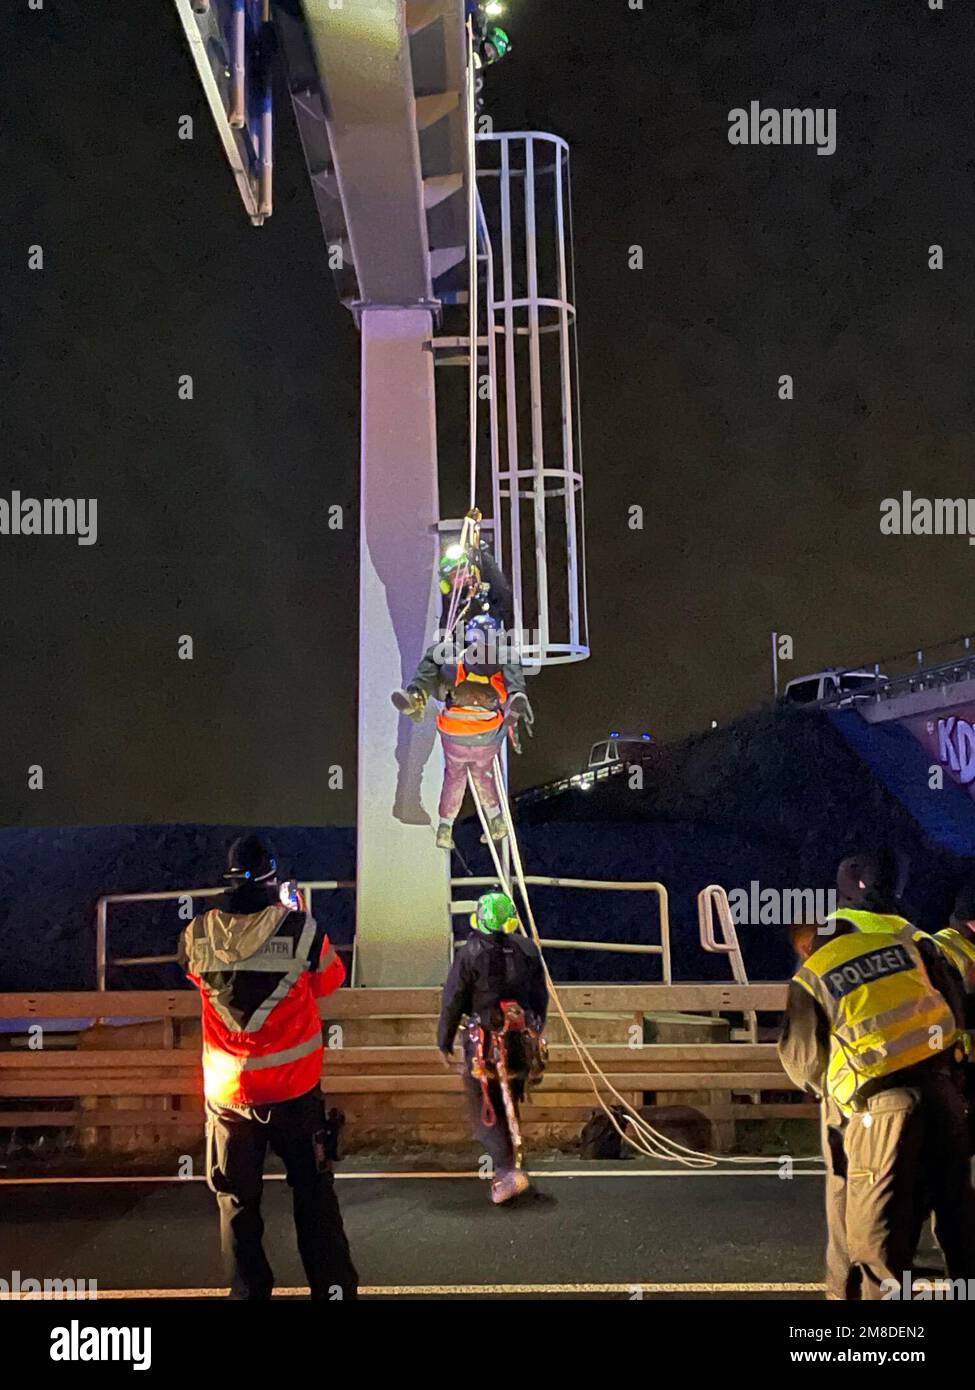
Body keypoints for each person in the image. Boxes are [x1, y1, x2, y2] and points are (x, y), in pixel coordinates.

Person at [778, 850, 975, 1300]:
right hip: (942, 1089)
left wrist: (837, 1092)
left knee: (871, 1236)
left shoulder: (819, 961)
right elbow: (951, 1006)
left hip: (875, 1105)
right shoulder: (912, 939)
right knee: (956, 1209)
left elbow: (802, 1060)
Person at [179, 834, 358, 1301]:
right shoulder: (300, 930)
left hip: (228, 1097)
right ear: (272, 880)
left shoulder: (196, 934)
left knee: (237, 1202)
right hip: (294, 1094)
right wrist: (293, 912)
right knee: (313, 1196)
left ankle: (248, 1295)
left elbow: (196, 972)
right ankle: (334, 1292)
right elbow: (329, 983)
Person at [438, 890, 548, 1204]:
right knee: (510, 1101)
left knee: (485, 1111)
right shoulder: (527, 950)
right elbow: (540, 998)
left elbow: (453, 999)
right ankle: (513, 1165)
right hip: (520, 1043)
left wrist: (443, 1041)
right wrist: (536, 1030)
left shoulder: (470, 953)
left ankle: (506, 1171)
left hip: (484, 1047)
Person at [392, 611, 533, 850]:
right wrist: (515, 698)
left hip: (455, 729)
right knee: (483, 775)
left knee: (454, 777)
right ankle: (496, 821)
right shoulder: (505, 659)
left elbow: (440, 662)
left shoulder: (457, 660)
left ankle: (445, 829)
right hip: (487, 731)